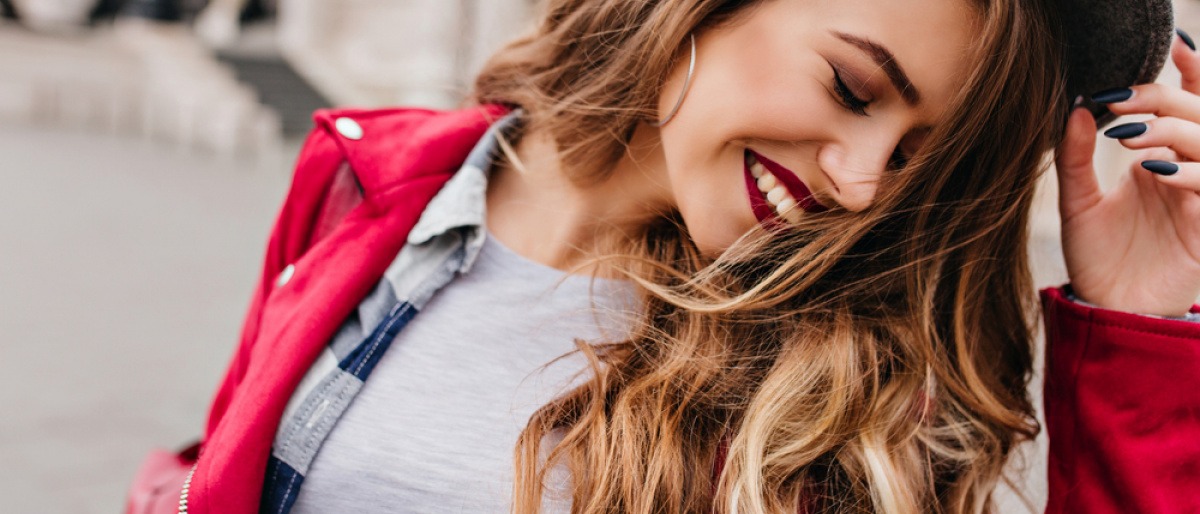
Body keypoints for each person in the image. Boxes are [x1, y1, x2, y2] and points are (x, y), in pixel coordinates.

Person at [125, 0, 1200, 513]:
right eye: (852, 90)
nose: (865, 181)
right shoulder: (373, 181)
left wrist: (1142, 342)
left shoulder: (847, 401)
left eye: (918, 156)